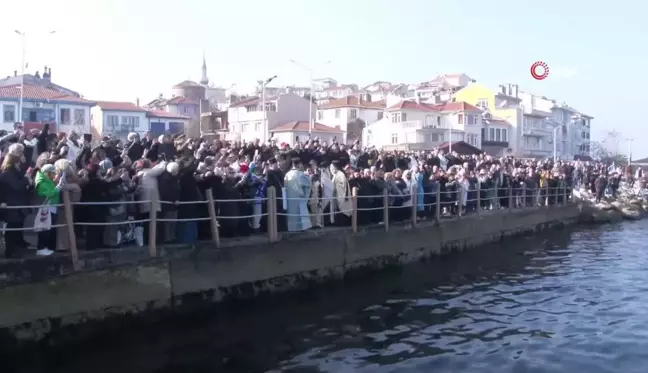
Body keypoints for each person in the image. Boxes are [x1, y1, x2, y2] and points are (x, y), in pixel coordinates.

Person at [0, 153, 31, 258]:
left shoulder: (15, 172)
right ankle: (9, 251)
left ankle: (16, 247)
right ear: (14, 162)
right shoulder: (7, 173)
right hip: (11, 204)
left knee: (17, 227)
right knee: (11, 229)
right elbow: (16, 186)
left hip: (17, 203)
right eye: (18, 162)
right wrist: (26, 179)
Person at [34, 163, 64, 256]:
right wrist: (59, 186)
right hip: (45, 208)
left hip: (51, 207)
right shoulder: (41, 182)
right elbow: (50, 193)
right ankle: (41, 248)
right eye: (52, 173)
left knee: (48, 228)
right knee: (44, 228)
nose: (54, 175)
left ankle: (45, 247)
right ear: (47, 173)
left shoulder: (47, 180)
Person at [284, 158, 312, 232]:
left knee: (292, 214)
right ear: (298, 164)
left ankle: (291, 228)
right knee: (300, 215)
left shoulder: (287, 174)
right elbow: (308, 184)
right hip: (299, 198)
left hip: (289, 198)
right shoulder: (300, 174)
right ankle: (301, 228)